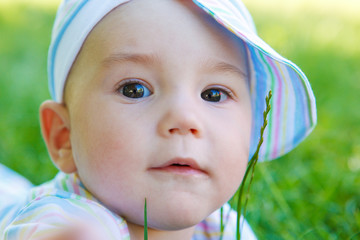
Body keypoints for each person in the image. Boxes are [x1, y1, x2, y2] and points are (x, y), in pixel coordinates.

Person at [0, 0, 316, 239]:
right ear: (64, 136)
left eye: (214, 95)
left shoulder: (222, 228)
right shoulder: (65, 220)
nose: (184, 118)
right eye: (135, 89)